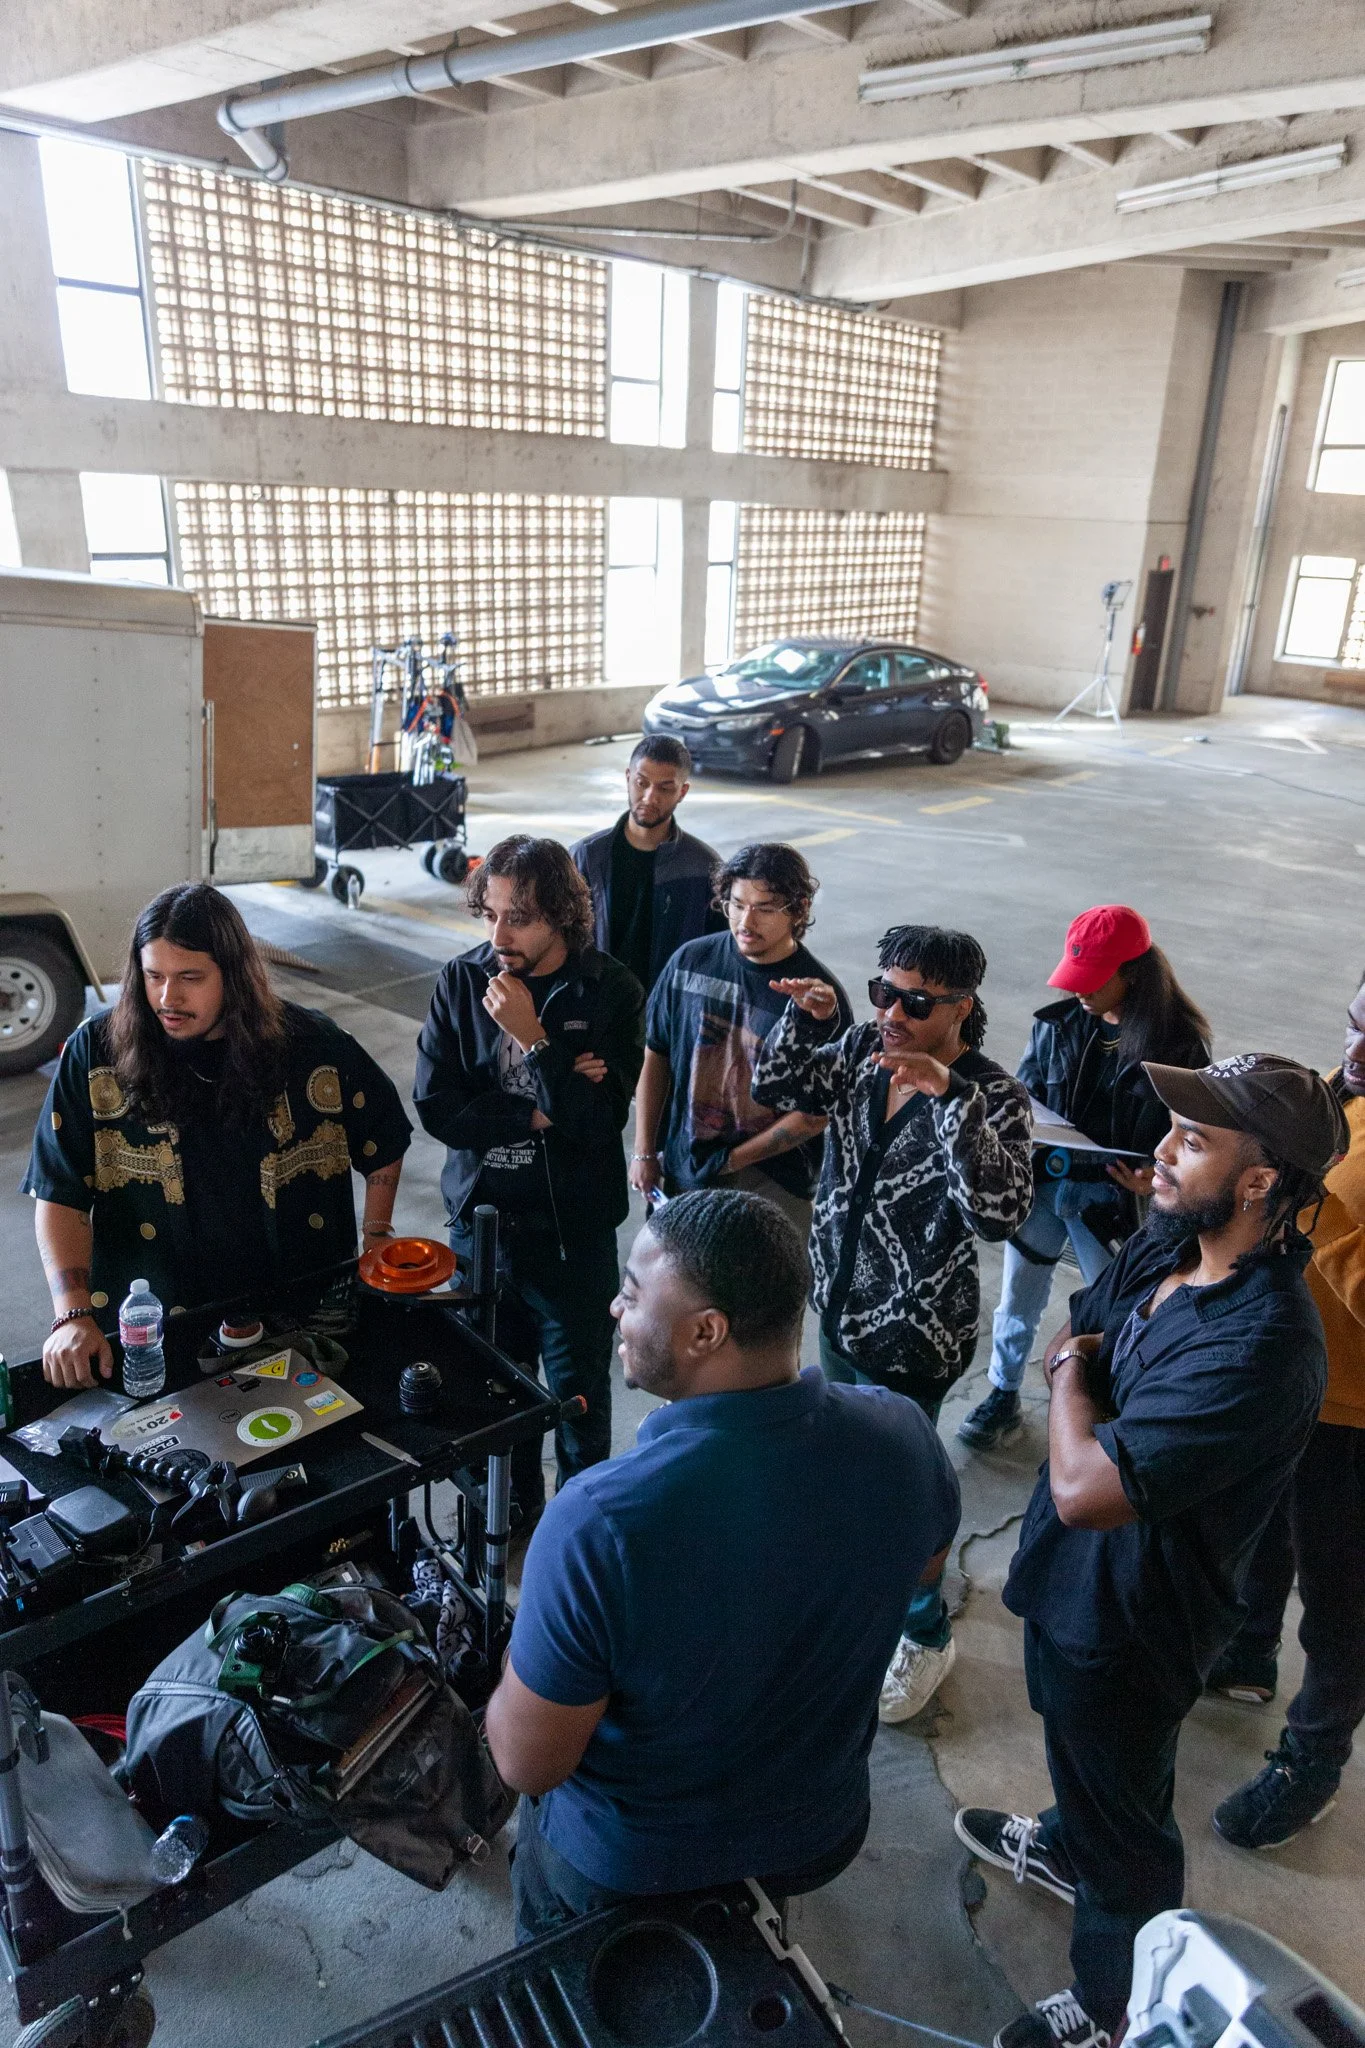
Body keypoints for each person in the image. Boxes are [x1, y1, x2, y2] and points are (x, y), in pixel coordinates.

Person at [956, 1054, 1345, 2048]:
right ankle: (1068, 1842)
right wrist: (1077, 1378)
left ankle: (1111, 1999)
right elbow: (1081, 1327)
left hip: (1136, 1624)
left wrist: (1068, 1382)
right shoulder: (1171, 1243)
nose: (1162, 1151)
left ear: (1259, 1182)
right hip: (1073, 1584)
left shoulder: (1264, 1344)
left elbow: (1088, 1486)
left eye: (1194, 1139)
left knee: (1129, 1825)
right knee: (1085, 1763)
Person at [484, 1189, 960, 1939]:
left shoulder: (598, 1521)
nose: (614, 1309)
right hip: (817, 1831)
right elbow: (925, 1570)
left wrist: (522, 1651)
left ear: (705, 1332)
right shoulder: (903, 1434)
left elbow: (524, 1764)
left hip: (632, 1869)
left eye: (632, 1294)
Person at [751, 925, 1033, 1721]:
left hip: (915, 1338)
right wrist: (806, 1018)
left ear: (961, 1008)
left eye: (915, 1002)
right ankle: (854, 1596)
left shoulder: (993, 1097)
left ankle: (923, 1631)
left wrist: (949, 1102)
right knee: (836, 1470)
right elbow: (778, 1088)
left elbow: (998, 1216)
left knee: (899, 1496)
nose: (891, 1014)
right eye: (883, 993)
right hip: (840, 1312)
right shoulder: (859, 1049)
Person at [25, 884, 411, 1388]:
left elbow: (384, 1139)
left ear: (235, 975)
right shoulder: (95, 1052)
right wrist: (71, 1313)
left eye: (190, 977)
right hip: (154, 1330)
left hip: (302, 1316)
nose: (168, 998)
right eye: (153, 976)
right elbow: (60, 1190)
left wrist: (377, 1235)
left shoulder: (313, 1045)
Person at [413, 836, 644, 1526]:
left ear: (562, 916)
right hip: (481, 1231)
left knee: (577, 1403)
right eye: (490, 915)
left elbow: (598, 1121)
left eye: (518, 919)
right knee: (494, 1399)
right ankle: (511, 1518)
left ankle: (578, 1532)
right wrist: (541, 1109)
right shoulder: (462, 980)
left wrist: (534, 1038)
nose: (498, 936)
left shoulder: (610, 990)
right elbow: (438, 1109)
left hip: (570, 1241)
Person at [1206, 972, 1365, 1848]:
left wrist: (1324, 1215)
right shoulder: (1342, 1093)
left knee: (1341, 1599)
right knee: (1262, 1529)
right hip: (1289, 1376)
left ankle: (1311, 1761)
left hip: (1355, 1419)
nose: (1356, 1051)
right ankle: (1246, 1653)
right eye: (1353, 1024)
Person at [960, 904, 1210, 1452]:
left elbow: (1193, 1137)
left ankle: (1097, 1414)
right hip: (1044, 1185)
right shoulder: (1056, 1024)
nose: (1079, 991)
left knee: (1112, 1310)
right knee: (1017, 1296)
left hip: (1110, 1200)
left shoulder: (1179, 1047)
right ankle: (1002, 1392)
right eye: (1074, 976)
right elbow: (1023, 1095)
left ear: (1132, 974)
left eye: (1093, 979)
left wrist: (1157, 1180)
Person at [629, 843, 852, 1239]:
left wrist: (731, 1161)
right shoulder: (689, 962)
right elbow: (656, 1054)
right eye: (736, 904)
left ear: (798, 910)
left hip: (771, 1184)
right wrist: (644, 1151)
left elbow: (816, 1114)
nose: (746, 921)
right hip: (685, 1169)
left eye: (765, 908)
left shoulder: (817, 1000)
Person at [570, 736, 724, 995]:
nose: (650, 797)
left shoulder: (703, 867)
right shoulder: (585, 857)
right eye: (641, 783)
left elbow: (718, 952)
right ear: (628, 778)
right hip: (598, 1004)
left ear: (682, 792)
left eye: (665, 788)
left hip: (668, 1006)